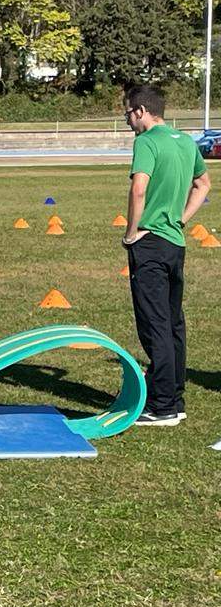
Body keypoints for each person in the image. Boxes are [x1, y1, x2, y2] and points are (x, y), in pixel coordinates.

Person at [123, 84, 210, 425]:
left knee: (155, 324)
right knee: (174, 323)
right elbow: (203, 184)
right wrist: (180, 219)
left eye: (128, 112)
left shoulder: (146, 142)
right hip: (175, 243)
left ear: (141, 111)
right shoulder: (186, 142)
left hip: (150, 245)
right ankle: (175, 396)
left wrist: (132, 233)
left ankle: (162, 407)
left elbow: (139, 187)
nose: (128, 118)